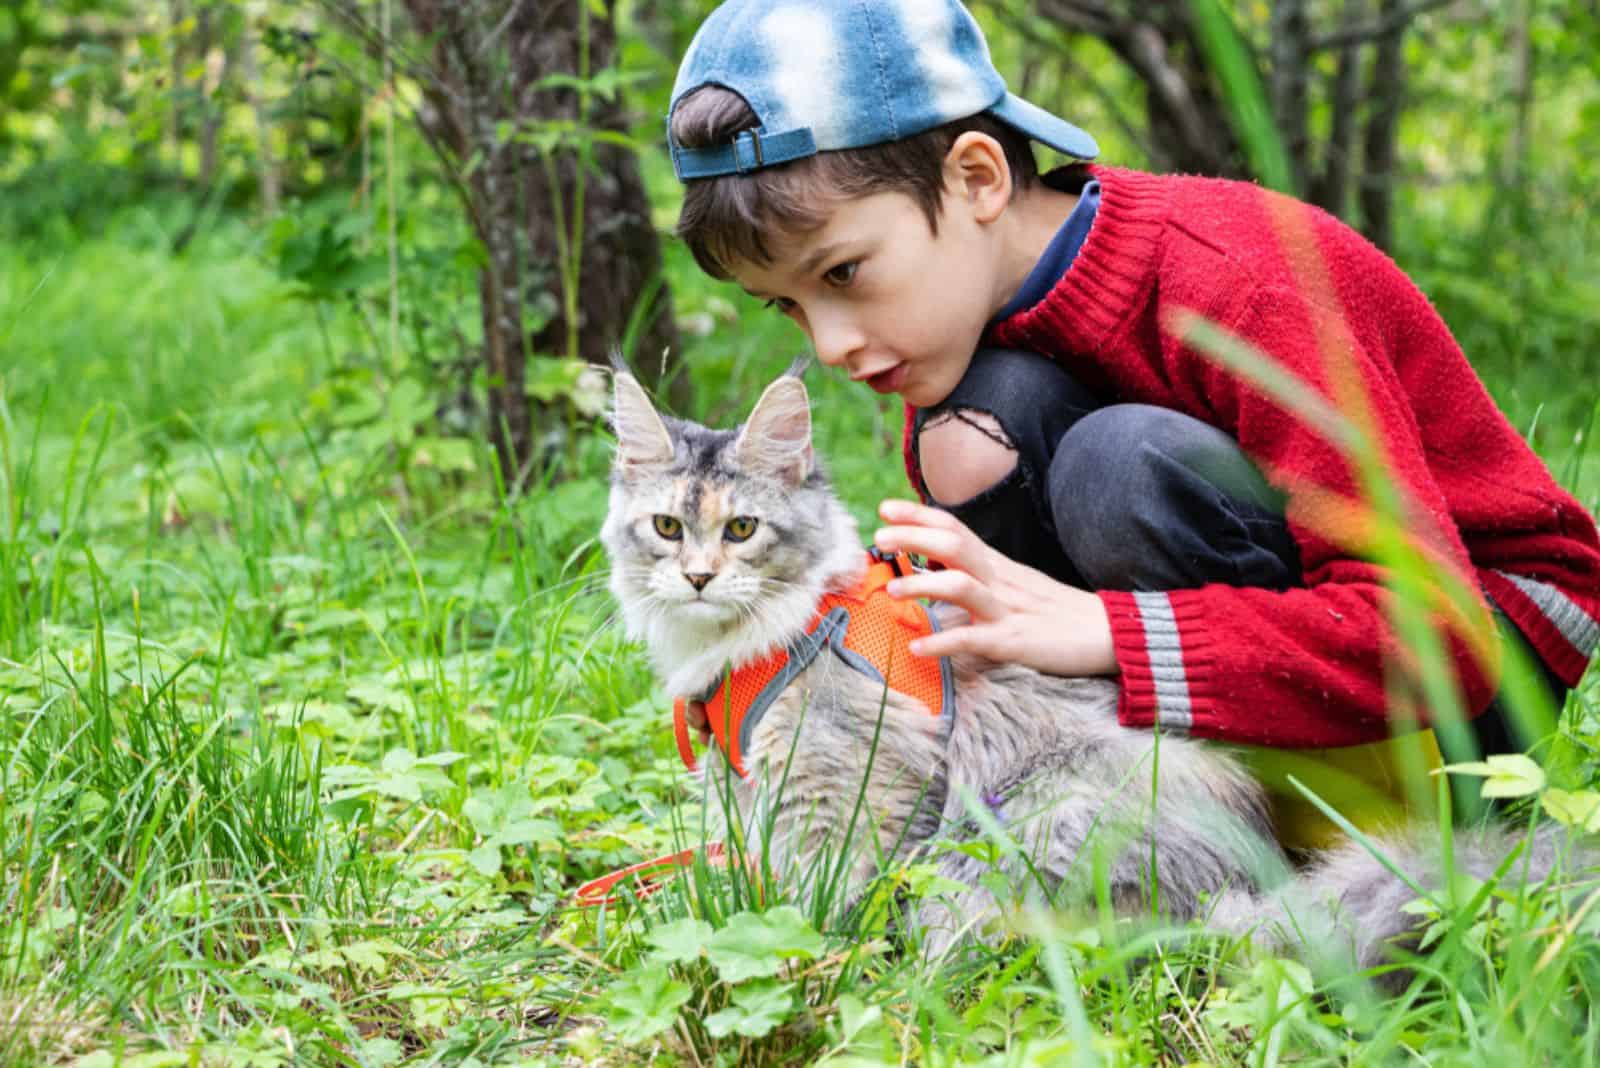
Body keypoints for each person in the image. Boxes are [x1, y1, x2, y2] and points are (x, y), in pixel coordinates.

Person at [665, 0, 1600, 844]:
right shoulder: (970, 360)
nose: (829, 343)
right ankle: (1153, 802)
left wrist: (1109, 631)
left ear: (979, 178)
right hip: (1294, 628)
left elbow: (1440, 631)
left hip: (1481, 652)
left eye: (841, 274)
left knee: (1120, 466)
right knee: (977, 431)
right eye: (784, 306)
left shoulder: (1237, 280)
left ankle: (1336, 817)